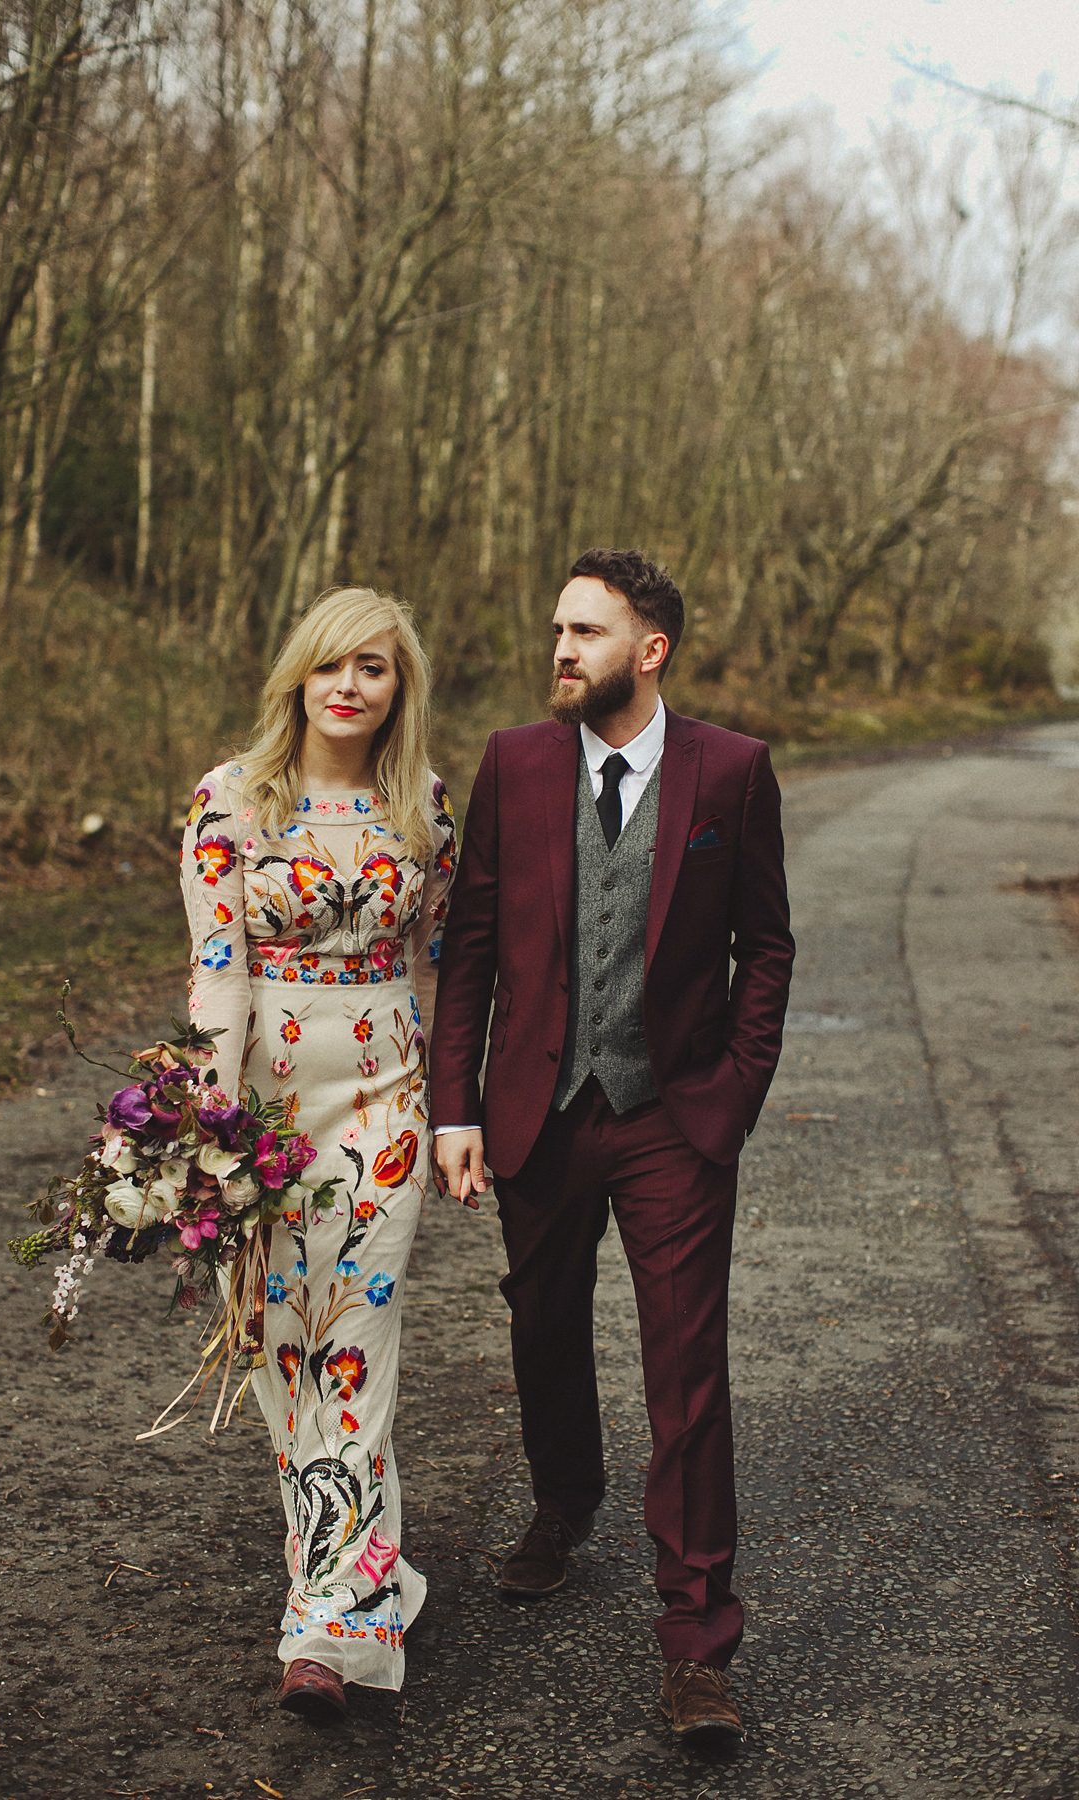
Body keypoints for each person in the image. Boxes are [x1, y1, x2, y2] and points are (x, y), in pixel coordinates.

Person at [429, 548, 793, 1745]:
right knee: (543, 1322)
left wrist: (729, 1097)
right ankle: (564, 1503)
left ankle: (697, 1642)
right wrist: (456, 1109)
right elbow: (471, 942)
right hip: (537, 1105)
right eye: (556, 631)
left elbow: (767, 947)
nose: (561, 652)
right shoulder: (516, 763)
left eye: (585, 633)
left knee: (686, 1370)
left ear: (651, 651)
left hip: (669, 1118)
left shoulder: (732, 772)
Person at [181, 587, 456, 1722]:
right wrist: (210, 1125)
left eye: (375, 669)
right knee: (279, 1350)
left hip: (385, 1101)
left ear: (401, 688)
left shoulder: (425, 809)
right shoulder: (228, 803)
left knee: (356, 1334)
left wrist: (457, 1114)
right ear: (298, 674)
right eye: (332, 664)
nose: (350, 685)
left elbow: (443, 959)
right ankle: (369, 1570)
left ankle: (328, 1624)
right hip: (269, 1113)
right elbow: (218, 973)